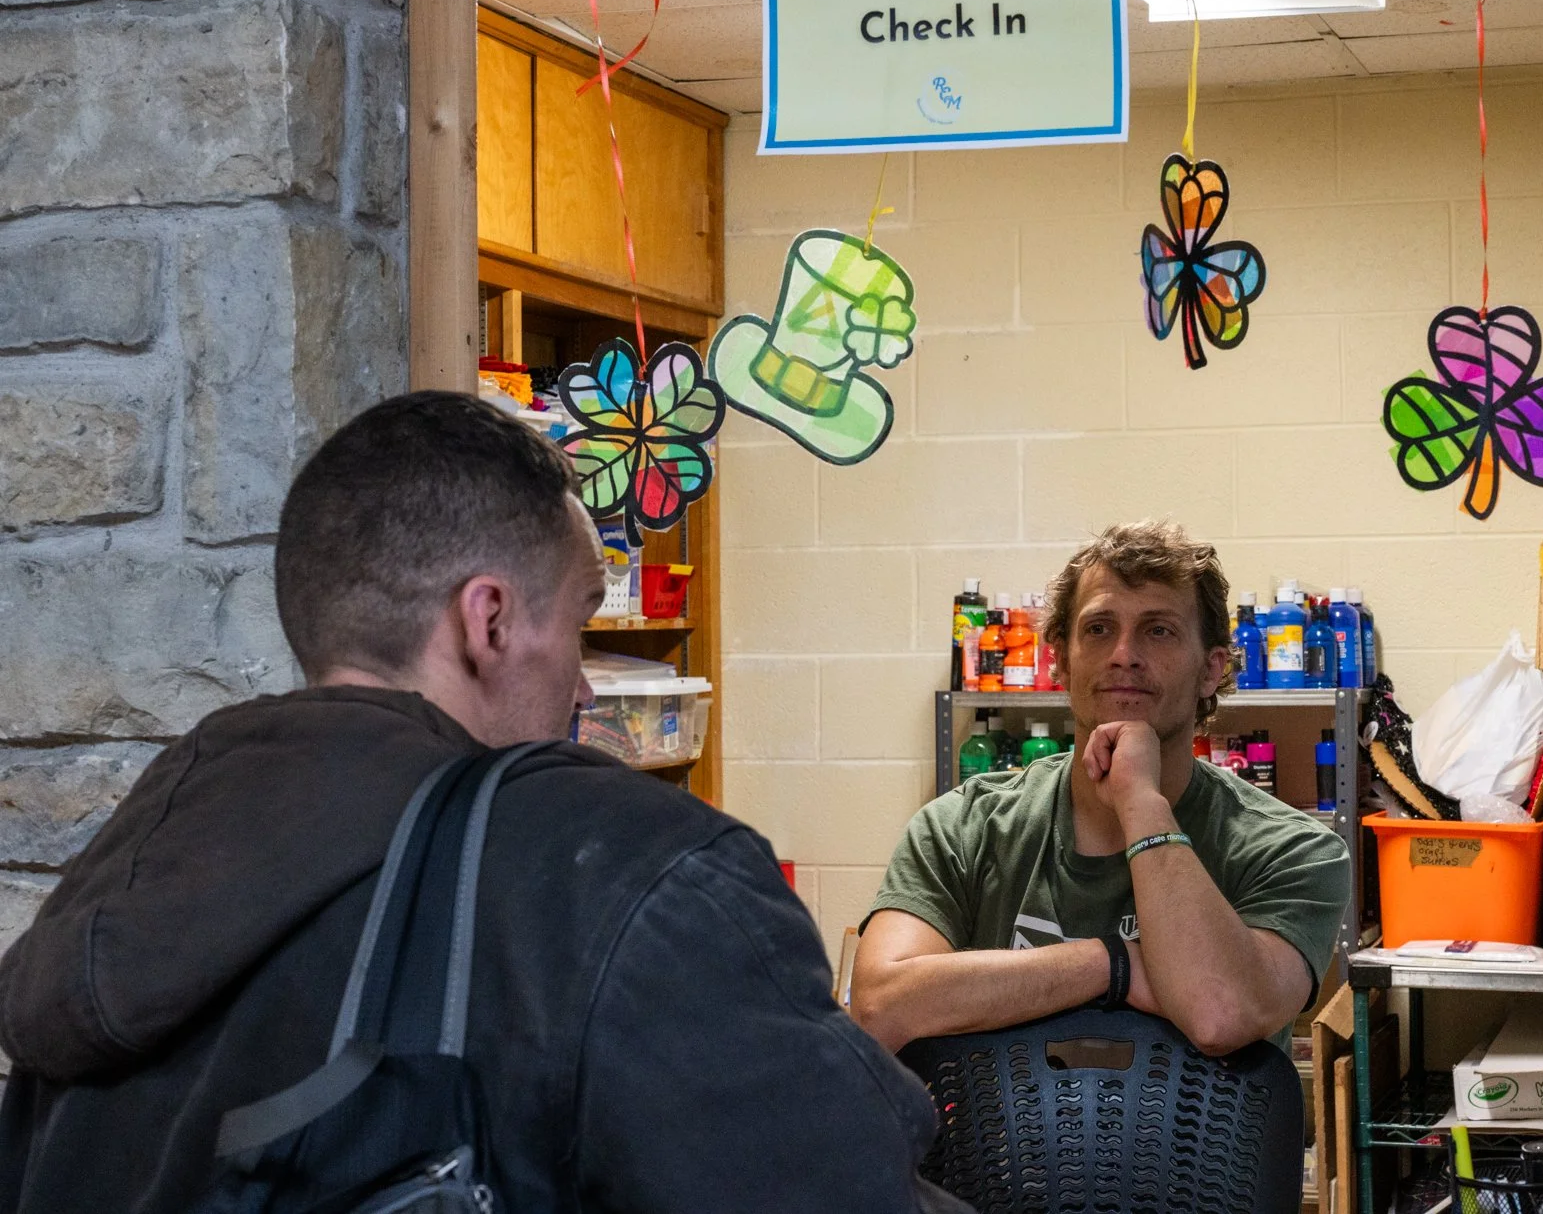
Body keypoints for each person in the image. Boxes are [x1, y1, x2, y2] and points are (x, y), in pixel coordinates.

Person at [0, 392, 962, 1214]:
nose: (586, 689)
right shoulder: (621, 874)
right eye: (583, 621)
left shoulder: (127, 858)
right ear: (489, 619)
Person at [852, 521, 1350, 1057]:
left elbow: (1220, 1011)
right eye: (1098, 629)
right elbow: (882, 1008)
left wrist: (1141, 801)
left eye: (1158, 630)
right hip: (998, 1144)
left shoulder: (1294, 850)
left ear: (1211, 670)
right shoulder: (962, 828)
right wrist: (1112, 964)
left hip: (1193, 1145)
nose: (1123, 654)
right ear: (1061, 661)